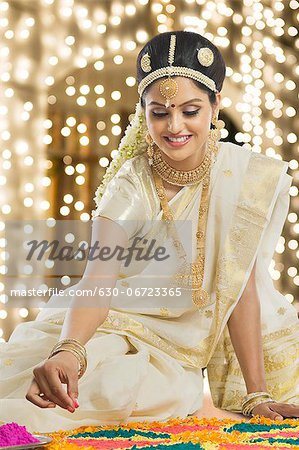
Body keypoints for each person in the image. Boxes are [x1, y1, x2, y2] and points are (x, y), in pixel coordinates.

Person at [0, 31, 298, 433]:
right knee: (56, 382)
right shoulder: (131, 184)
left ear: (215, 106)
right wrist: (69, 351)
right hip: (108, 323)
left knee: (138, 390)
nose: (174, 126)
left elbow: (238, 289)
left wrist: (257, 394)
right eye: (159, 113)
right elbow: (97, 282)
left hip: (175, 354)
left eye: (190, 111)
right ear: (144, 113)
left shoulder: (243, 175)